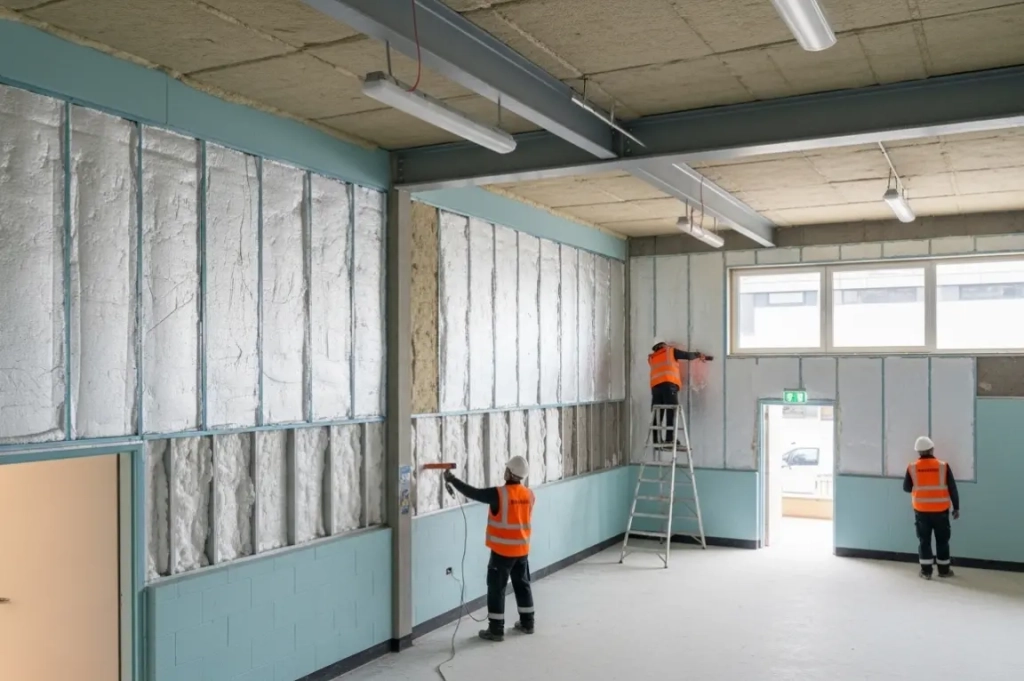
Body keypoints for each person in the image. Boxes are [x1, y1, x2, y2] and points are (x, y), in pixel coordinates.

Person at [444, 455, 535, 642]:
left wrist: (452, 480)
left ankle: (495, 630)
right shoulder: (529, 494)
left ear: (510, 472)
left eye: (506, 468)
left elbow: (474, 493)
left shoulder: (499, 494)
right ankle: (528, 623)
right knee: (522, 585)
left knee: (496, 589)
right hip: (522, 551)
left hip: (502, 552)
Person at [903, 436, 960, 580]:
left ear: (918, 452)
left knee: (924, 541)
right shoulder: (943, 466)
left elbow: (906, 488)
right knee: (942, 541)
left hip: (921, 511)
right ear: (932, 449)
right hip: (941, 511)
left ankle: (926, 572)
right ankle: (944, 571)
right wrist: (956, 507)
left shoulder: (912, 467)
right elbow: (953, 488)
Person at [648, 340, 713, 444]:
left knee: (658, 413)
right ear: (664, 346)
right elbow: (687, 356)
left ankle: (656, 440)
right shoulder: (670, 352)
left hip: (656, 388)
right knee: (671, 411)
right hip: (669, 386)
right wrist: (698, 354)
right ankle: (670, 439)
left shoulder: (652, 357)